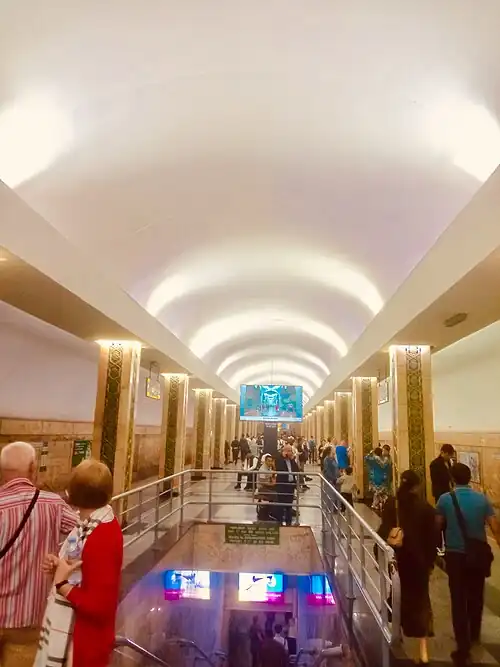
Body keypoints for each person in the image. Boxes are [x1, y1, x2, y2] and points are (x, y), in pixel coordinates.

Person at [35, 459, 123, 667]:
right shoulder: (87, 527)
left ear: (71, 494)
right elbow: (86, 571)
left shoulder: (102, 535)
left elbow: (101, 605)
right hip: (81, 638)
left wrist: (62, 585)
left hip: (85, 643)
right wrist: (60, 566)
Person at [0, 442, 77, 667]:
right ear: (33, 467)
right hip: (27, 620)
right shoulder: (53, 504)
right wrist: (62, 563)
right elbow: (85, 534)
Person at [436, 463, 500, 667]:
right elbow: (494, 526)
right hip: (477, 555)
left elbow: (437, 525)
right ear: (469, 477)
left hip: (455, 555)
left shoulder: (445, 499)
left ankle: (462, 640)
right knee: (476, 594)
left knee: (458, 597)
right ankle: (474, 634)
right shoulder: (482, 499)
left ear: (452, 479)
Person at [378, 470, 438, 665]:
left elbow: (383, 530)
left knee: (397, 594)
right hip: (418, 563)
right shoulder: (426, 509)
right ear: (417, 486)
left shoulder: (392, 504)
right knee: (421, 601)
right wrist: (430, 562)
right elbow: (432, 539)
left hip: (397, 560)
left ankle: (396, 632)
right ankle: (423, 650)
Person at [275, 445, 299, 525]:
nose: (289, 453)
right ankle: (280, 522)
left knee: (289, 505)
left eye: (290, 451)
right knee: (281, 505)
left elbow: (297, 470)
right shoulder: (279, 459)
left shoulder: (292, 460)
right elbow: (279, 468)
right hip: (282, 485)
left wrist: (292, 460)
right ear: (283, 451)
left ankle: (289, 522)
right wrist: (283, 457)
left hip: (290, 485)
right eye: (288, 451)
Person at [365, 447, 391, 513]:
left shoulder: (374, 459)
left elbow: (366, 459)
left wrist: (370, 453)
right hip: (384, 478)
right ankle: (378, 504)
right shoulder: (386, 459)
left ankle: (378, 504)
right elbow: (388, 468)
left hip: (375, 477)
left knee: (377, 492)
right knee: (381, 492)